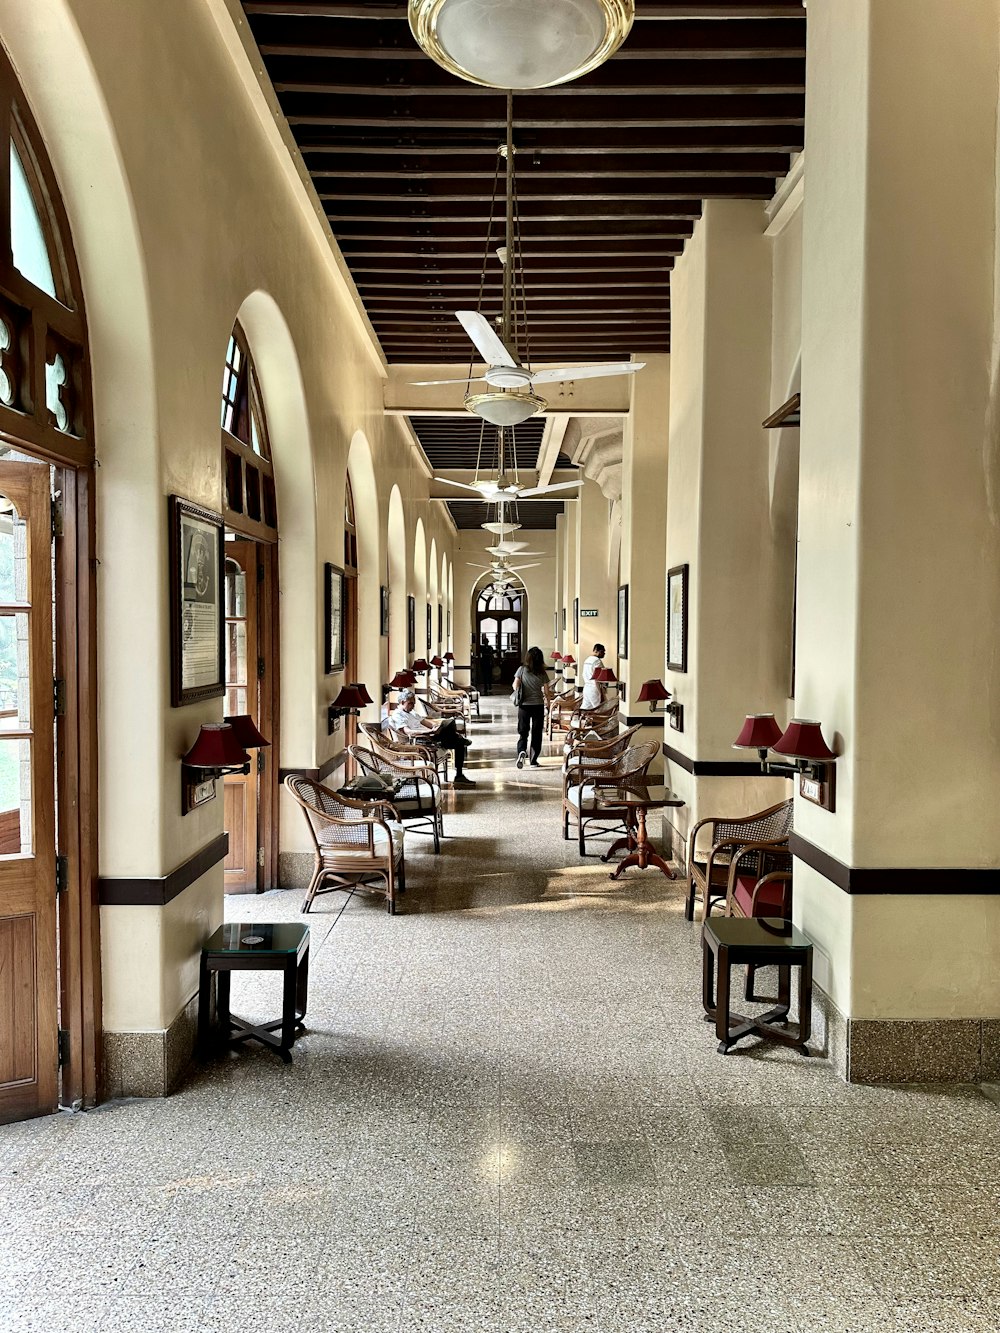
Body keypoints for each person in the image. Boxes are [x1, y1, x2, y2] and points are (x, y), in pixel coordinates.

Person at [384, 688, 474, 785]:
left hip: (430, 735)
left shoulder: (412, 713)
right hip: (421, 739)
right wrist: (427, 732)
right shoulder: (398, 715)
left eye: (414, 703)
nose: (413, 706)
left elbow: (428, 723)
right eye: (410, 703)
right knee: (458, 742)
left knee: (449, 723)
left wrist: (436, 727)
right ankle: (459, 773)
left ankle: (458, 744)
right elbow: (409, 732)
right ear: (402, 702)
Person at [512, 646, 551, 769]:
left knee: (523, 732)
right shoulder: (542, 673)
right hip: (538, 705)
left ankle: (522, 751)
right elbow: (546, 691)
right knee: (536, 733)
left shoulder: (521, 670)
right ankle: (533, 760)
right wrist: (548, 704)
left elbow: (515, 686)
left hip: (524, 705)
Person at [581, 642, 606, 711]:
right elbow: (601, 676)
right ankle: (598, 722)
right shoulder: (597, 661)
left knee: (585, 708)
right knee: (599, 709)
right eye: (603, 651)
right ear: (598, 651)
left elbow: (583, 674)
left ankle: (580, 720)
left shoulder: (587, 660)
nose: (604, 654)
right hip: (594, 688)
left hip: (586, 688)